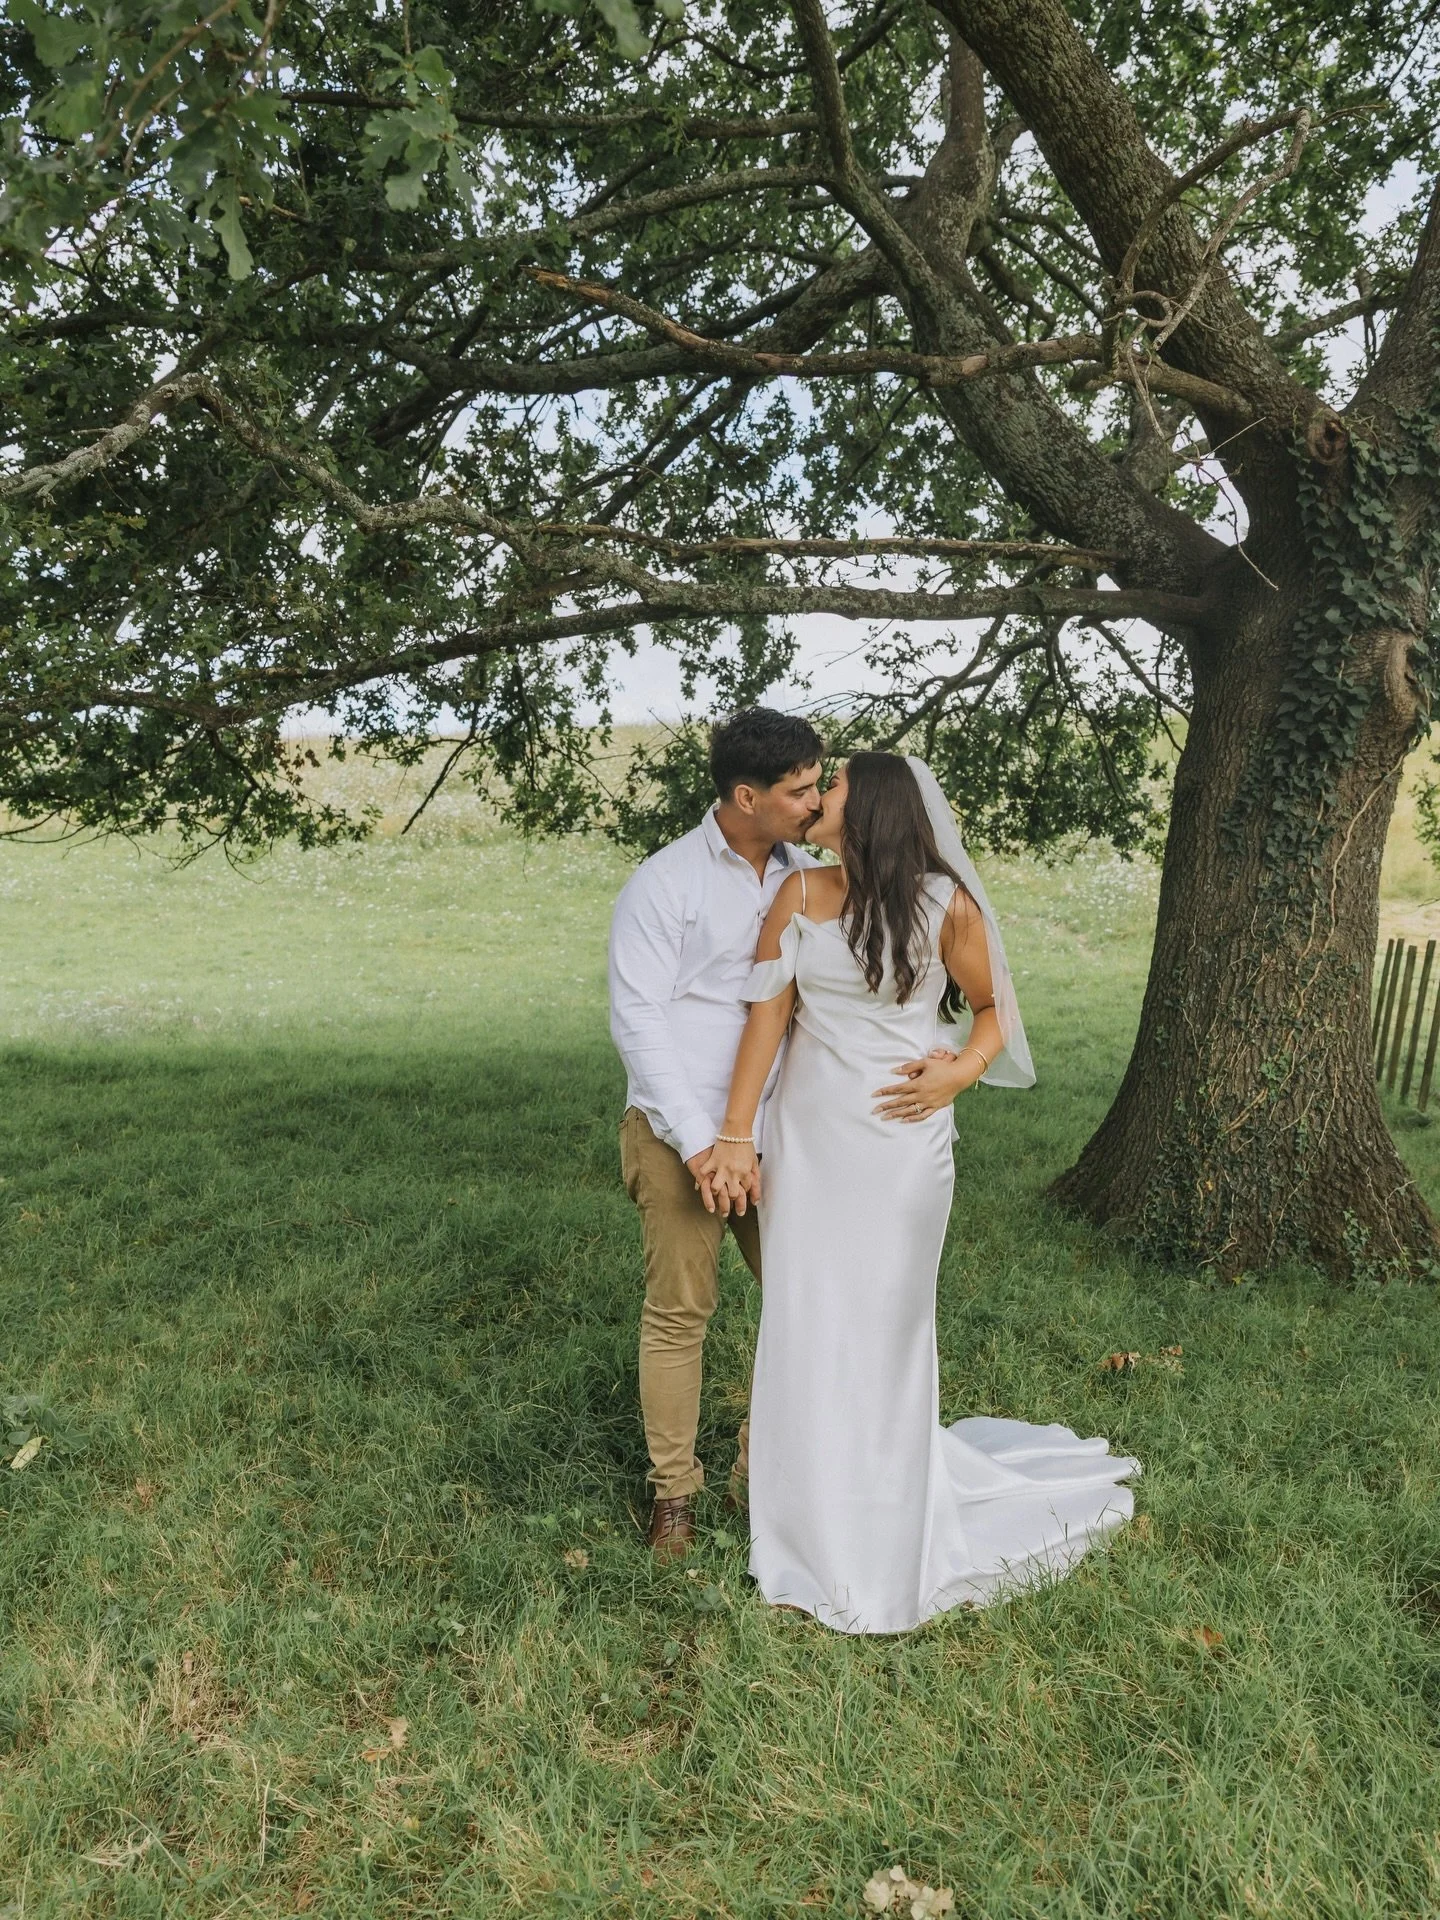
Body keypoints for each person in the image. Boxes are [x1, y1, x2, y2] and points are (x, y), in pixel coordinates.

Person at [702, 752, 1139, 1633]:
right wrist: (736, 1133)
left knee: (886, 1328)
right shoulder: (797, 895)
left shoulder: (949, 906)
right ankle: (801, 1519)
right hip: (811, 1145)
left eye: (833, 788)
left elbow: (994, 1009)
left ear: (873, 811)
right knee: (806, 1319)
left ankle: (886, 1517)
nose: (816, 797)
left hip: (902, 1151)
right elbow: (766, 1022)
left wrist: (961, 1072)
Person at [608, 708, 825, 1559]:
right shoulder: (664, 883)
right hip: (679, 1133)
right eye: (800, 790)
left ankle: (762, 1468)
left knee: (806, 1302)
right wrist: (703, 1144)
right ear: (746, 797)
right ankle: (674, 1495)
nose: (816, 803)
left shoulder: (811, 878)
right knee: (679, 1314)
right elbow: (638, 1020)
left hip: (782, 1134)